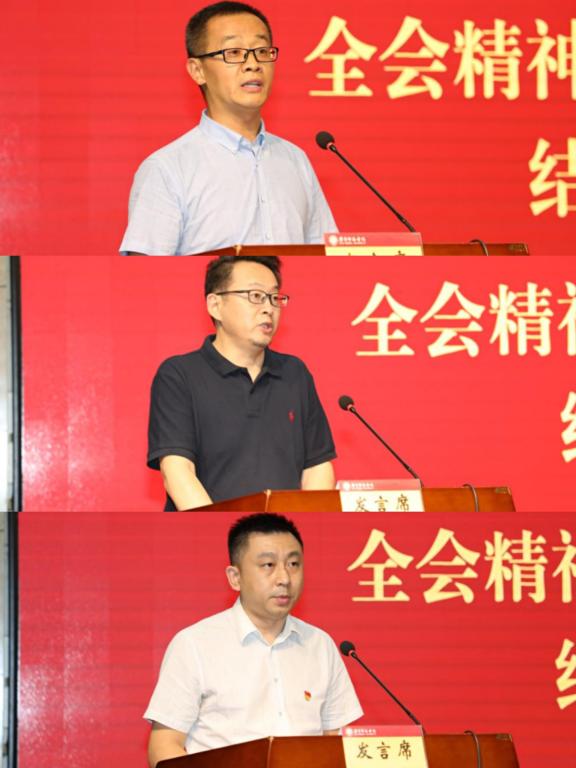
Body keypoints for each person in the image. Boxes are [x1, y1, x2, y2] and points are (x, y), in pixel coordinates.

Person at [144, 513, 363, 766]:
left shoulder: (320, 645)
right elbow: (164, 746)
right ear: (235, 577)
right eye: (268, 565)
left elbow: (337, 740)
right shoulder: (194, 644)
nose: (284, 578)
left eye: (293, 564)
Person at [120, 1, 336, 255]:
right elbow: (144, 274)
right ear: (197, 70)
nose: (253, 64)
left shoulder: (295, 160)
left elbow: (326, 259)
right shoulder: (168, 168)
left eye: (261, 51)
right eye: (233, 52)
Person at [147, 254, 336, 510]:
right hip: (207, 531)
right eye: (255, 296)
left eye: (274, 297)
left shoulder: (295, 373)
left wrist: (305, 523)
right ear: (215, 305)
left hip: (282, 532)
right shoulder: (179, 374)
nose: (268, 308)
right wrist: (221, 529)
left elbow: (317, 467)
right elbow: (177, 471)